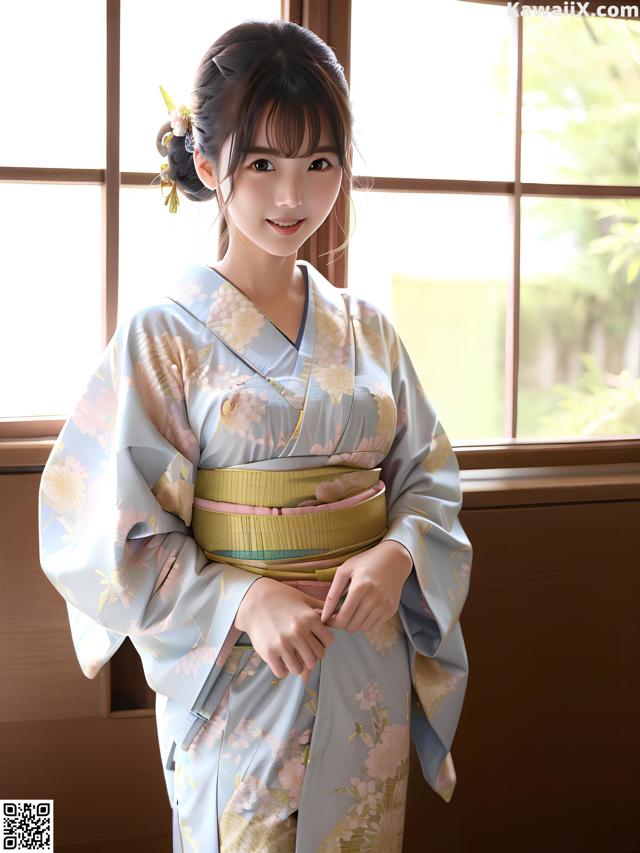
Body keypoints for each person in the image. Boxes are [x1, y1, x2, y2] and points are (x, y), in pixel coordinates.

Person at [38, 19, 472, 853]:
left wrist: (398, 554)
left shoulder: (368, 331)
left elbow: (429, 476)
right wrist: (242, 596)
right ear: (208, 167)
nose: (291, 197)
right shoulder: (164, 337)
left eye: (319, 165)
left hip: (363, 660)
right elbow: (102, 526)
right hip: (241, 673)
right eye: (263, 163)